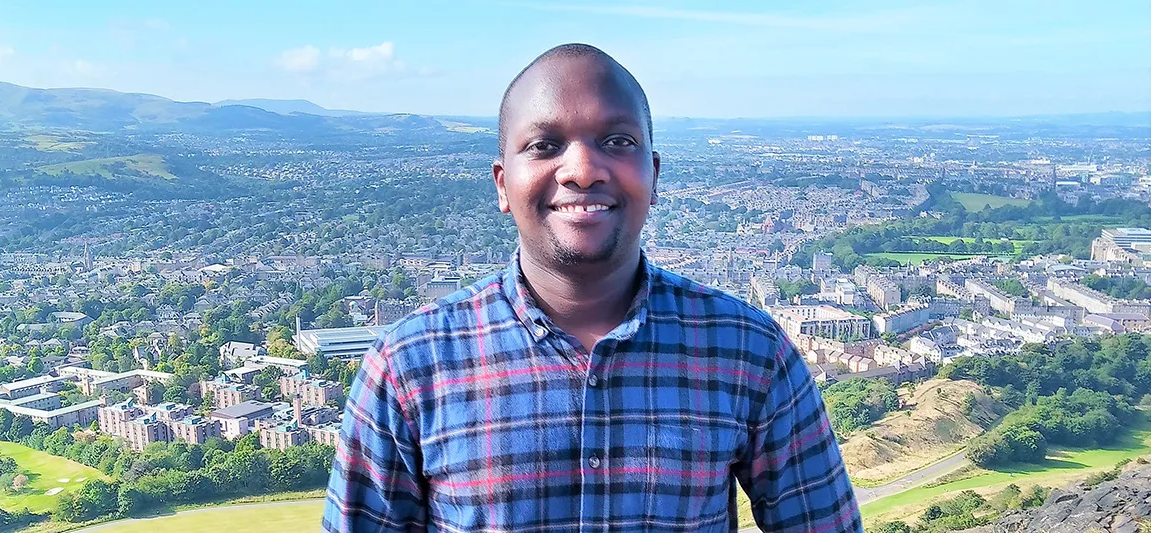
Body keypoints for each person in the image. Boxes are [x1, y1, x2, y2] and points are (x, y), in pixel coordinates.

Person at [322, 43, 862, 533]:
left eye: (617, 141)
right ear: (502, 183)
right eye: (544, 144)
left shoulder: (748, 349)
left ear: (653, 174)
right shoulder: (411, 366)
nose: (581, 168)